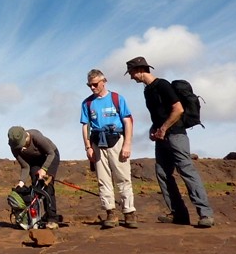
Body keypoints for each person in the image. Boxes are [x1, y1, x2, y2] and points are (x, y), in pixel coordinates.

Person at [125, 56, 214, 228]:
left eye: (131, 73)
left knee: (186, 171)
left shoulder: (162, 85)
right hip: (162, 137)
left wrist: (164, 128)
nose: (131, 77)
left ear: (139, 70)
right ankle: (178, 214)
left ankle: (205, 214)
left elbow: (178, 109)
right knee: (163, 174)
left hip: (176, 135)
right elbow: (159, 114)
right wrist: (154, 129)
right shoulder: (147, 90)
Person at [81, 69, 137, 229]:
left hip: (116, 140)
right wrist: (88, 147)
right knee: (103, 180)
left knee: (123, 177)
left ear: (103, 81)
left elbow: (127, 121)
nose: (92, 88)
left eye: (95, 84)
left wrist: (127, 144)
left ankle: (129, 212)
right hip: (98, 142)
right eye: (89, 85)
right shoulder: (87, 103)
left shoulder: (117, 98)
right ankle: (110, 213)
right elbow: (85, 126)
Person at [7, 126, 60, 229]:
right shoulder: (14, 147)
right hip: (34, 161)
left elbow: (51, 153)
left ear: (25, 136)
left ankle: (52, 219)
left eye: (21, 145)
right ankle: (37, 218)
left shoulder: (36, 136)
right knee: (36, 187)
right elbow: (25, 166)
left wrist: (44, 169)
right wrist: (21, 182)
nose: (21, 149)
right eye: (18, 147)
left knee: (47, 186)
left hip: (50, 156)